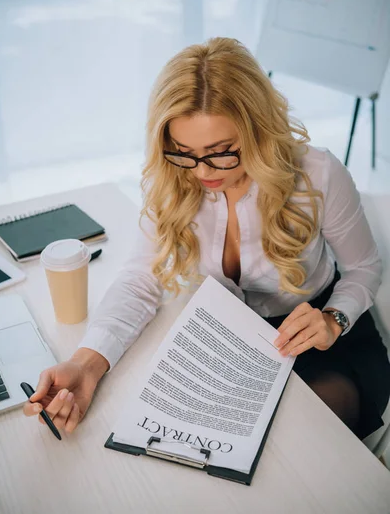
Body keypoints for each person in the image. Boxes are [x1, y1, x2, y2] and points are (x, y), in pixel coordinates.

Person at [23, 37, 390, 440]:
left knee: (299, 440)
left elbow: (364, 268)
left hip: (318, 336)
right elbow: (141, 280)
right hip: (229, 341)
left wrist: (335, 319)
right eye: (183, 152)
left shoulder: (317, 175)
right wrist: (85, 364)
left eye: (221, 152)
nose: (200, 173)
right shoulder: (172, 178)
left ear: (258, 130)